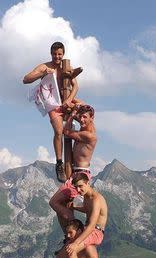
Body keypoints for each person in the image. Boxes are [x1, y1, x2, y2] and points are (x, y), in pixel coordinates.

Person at [23, 41, 80, 182]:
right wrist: (42, 74)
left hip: (66, 101)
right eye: (54, 54)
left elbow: (76, 87)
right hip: (53, 104)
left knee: (87, 114)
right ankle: (59, 164)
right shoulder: (45, 66)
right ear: (51, 54)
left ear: (63, 54)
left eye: (59, 54)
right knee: (59, 131)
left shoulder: (66, 66)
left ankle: (81, 158)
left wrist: (69, 99)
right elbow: (26, 79)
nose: (57, 57)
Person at [49, 104, 97, 231]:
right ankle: (72, 228)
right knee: (66, 203)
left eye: (85, 117)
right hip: (76, 172)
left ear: (92, 118)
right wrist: (74, 109)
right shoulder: (85, 129)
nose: (81, 120)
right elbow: (82, 112)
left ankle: (75, 226)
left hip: (80, 174)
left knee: (54, 202)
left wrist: (72, 114)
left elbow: (66, 131)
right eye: (80, 117)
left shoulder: (89, 135)